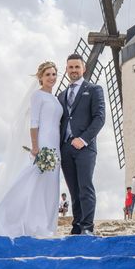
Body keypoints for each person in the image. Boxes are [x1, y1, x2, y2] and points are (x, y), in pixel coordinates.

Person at [0, 61, 63, 237]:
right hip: (43, 143)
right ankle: (30, 222)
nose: (51, 77)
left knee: (50, 184)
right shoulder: (37, 96)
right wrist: (35, 146)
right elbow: (34, 122)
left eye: (54, 74)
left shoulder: (55, 99)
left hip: (56, 145)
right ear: (40, 77)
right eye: (47, 74)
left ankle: (47, 225)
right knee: (35, 182)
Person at [58, 53, 105, 235]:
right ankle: (76, 225)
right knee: (73, 188)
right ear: (67, 69)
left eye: (77, 67)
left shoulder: (94, 90)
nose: (74, 70)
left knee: (85, 186)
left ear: (83, 68)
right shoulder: (62, 95)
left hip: (85, 147)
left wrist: (83, 139)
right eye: (71, 67)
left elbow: (99, 118)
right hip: (66, 147)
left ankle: (87, 226)